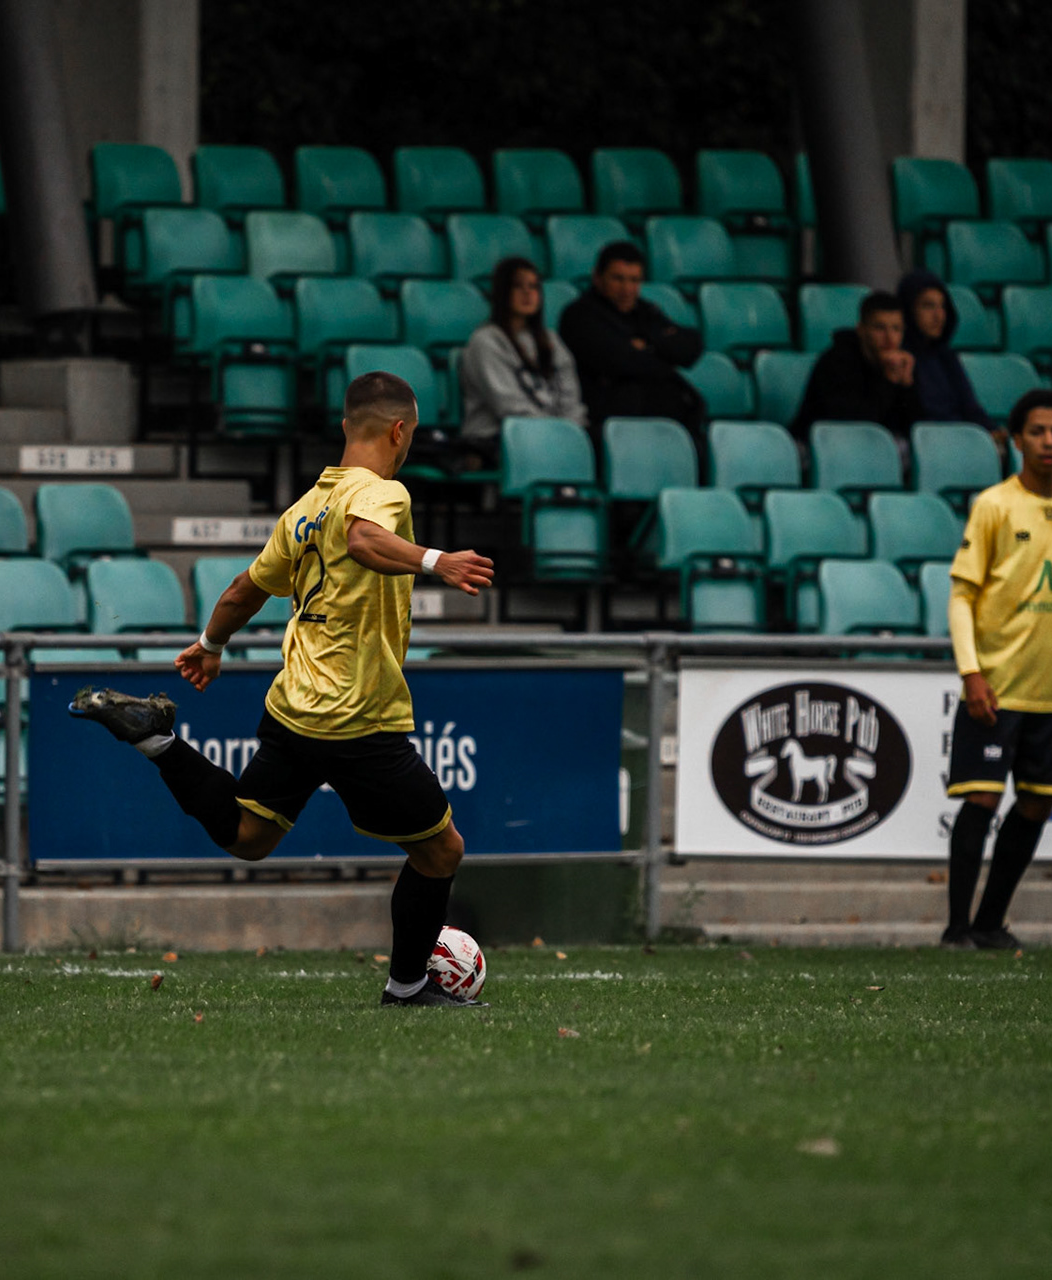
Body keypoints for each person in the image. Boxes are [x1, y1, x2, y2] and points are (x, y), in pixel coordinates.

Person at [69, 372, 497, 1007]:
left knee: (249, 835)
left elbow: (244, 590)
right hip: (358, 716)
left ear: (346, 426)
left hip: (293, 706)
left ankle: (158, 741)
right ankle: (407, 987)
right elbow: (363, 539)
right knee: (441, 851)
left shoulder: (303, 510)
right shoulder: (383, 493)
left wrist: (210, 646)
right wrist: (437, 561)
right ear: (399, 430)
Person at [941, 389, 1052, 950]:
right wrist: (971, 672)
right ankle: (956, 928)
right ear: (1016, 439)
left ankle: (990, 922)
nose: (1049, 441)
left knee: (1037, 801)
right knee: (982, 798)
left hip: (1051, 689)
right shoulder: (994, 505)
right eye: (1037, 431)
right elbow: (962, 595)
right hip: (998, 683)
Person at [558, 240, 704, 434]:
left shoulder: (644, 310)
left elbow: (691, 347)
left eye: (634, 280)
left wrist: (647, 345)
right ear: (597, 277)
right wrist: (663, 352)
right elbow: (621, 359)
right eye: (618, 279)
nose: (627, 289)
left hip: (666, 421)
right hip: (611, 423)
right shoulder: (579, 315)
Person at [458, 256, 585, 459]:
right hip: (497, 438)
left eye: (534, 286)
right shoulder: (485, 341)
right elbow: (508, 406)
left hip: (553, 436)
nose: (528, 293)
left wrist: (569, 431)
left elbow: (571, 398)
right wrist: (557, 432)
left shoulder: (550, 340)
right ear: (502, 292)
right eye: (518, 286)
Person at [789, 291, 923, 440]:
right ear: (861, 329)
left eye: (896, 329)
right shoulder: (836, 361)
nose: (890, 338)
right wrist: (888, 382)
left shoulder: (901, 362)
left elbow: (916, 429)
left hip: (870, 445)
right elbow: (854, 423)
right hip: (817, 443)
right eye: (879, 328)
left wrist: (907, 386)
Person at [898, 269, 993, 434]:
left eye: (942, 306)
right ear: (908, 309)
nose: (938, 316)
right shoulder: (899, 356)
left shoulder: (946, 356)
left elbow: (970, 407)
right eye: (928, 306)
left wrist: (994, 433)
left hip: (959, 437)